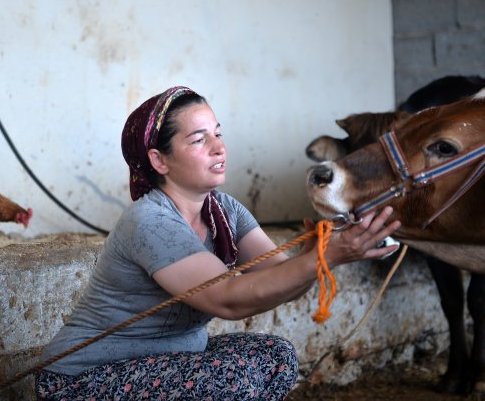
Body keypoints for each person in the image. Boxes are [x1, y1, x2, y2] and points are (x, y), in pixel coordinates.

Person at [35, 86, 400, 400]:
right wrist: (328, 255)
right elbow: (227, 299)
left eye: (218, 134)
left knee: (277, 356)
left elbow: (280, 279)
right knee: (230, 379)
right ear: (159, 160)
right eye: (199, 139)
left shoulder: (224, 210)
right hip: (84, 379)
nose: (218, 148)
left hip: (167, 365)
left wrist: (321, 251)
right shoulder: (151, 221)